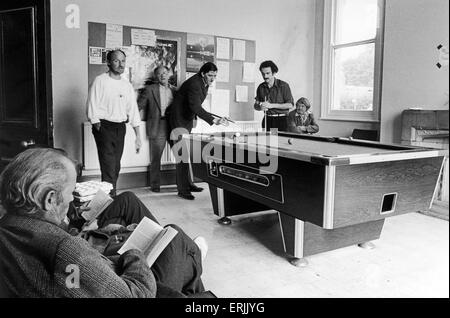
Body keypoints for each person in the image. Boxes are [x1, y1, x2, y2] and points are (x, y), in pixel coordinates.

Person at [0, 148, 210, 298]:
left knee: (179, 248)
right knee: (176, 236)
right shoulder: (65, 250)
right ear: (50, 199)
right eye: (71, 192)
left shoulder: (7, 229)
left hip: (102, 278)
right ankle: (193, 261)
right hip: (132, 284)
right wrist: (134, 252)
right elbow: (137, 294)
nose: (73, 199)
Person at [86, 49, 142, 196]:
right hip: (103, 127)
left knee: (115, 165)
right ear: (109, 63)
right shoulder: (100, 80)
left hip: (120, 127)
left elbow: (133, 110)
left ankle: (108, 195)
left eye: (123, 61)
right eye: (116, 61)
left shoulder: (126, 85)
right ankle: (110, 199)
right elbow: (92, 103)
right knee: (108, 165)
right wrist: (95, 122)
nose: (120, 64)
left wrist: (138, 136)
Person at [169, 62, 228, 200]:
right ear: (203, 73)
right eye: (210, 75)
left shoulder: (202, 82)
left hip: (186, 119)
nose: (212, 78)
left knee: (185, 154)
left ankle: (189, 184)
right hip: (179, 120)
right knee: (181, 155)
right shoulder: (195, 83)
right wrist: (213, 120)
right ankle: (183, 190)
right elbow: (195, 106)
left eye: (214, 76)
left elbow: (194, 105)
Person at [138, 66, 176, 193]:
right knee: (155, 159)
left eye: (165, 73)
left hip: (173, 125)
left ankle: (187, 184)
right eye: (159, 74)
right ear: (156, 77)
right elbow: (139, 105)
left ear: (169, 74)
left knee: (182, 156)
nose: (163, 76)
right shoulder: (150, 90)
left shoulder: (175, 91)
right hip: (157, 125)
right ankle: (155, 186)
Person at [254, 61, 294, 132]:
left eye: (267, 73)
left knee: (279, 142)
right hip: (267, 120)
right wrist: (260, 107)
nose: (265, 76)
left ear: (274, 73)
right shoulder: (261, 87)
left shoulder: (283, 86)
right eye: (263, 74)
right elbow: (256, 105)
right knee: (269, 142)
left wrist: (271, 105)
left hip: (281, 120)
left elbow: (290, 105)